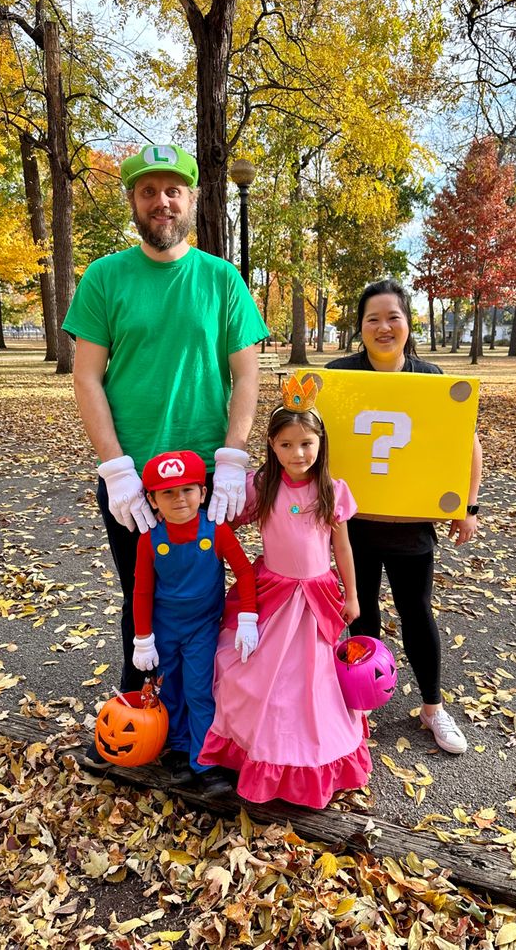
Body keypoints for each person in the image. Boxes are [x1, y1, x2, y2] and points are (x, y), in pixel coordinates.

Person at [62, 144, 269, 766]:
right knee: (140, 593)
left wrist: (233, 456)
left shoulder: (221, 280)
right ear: (132, 200)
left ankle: (208, 731)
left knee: (208, 599)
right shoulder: (104, 278)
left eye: (173, 189)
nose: (162, 201)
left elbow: (247, 375)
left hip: (205, 479)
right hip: (134, 479)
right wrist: (116, 468)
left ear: (194, 199)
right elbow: (87, 377)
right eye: (148, 190)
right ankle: (140, 715)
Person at [198, 377, 372, 808]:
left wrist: (352, 595)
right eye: (287, 444)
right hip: (272, 596)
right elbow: (227, 523)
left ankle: (314, 758)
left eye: (307, 443)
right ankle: (258, 747)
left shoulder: (333, 489)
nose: (298, 454)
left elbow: (342, 547)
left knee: (313, 683)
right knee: (260, 675)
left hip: (317, 600)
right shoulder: (262, 486)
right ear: (272, 447)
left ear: (321, 443)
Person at [326, 279, 482, 755]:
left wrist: (468, 506)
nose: (383, 326)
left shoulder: (430, 378)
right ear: (360, 328)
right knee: (362, 611)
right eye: (372, 318)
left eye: (392, 316)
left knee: (416, 612)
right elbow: (310, 439)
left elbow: (467, 445)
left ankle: (433, 707)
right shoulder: (340, 377)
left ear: (408, 323)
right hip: (354, 525)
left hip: (410, 523)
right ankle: (363, 702)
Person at [123, 450, 257, 797]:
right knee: (168, 689)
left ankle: (205, 760)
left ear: (203, 492)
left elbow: (244, 571)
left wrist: (248, 616)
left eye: (187, 490)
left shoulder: (216, 530)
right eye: (167, 493)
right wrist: (143, 638)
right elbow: (141, 590)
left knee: (199, 690)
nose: (179, 499)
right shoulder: (149, 540)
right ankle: (178, 751)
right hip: (164, 629)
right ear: (152, 500)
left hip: (201, 628)